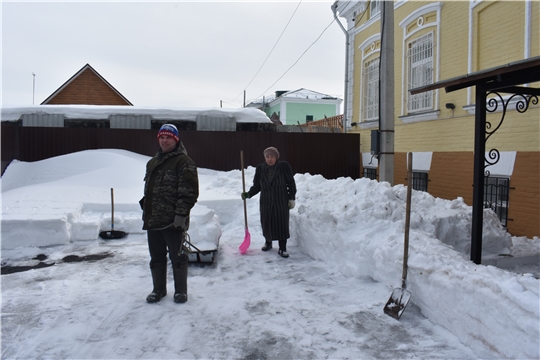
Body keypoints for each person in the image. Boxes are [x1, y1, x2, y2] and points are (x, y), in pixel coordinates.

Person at [140, 124, 199, 303]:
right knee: (156, 257)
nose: (165, 141)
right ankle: (158, 290)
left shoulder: (184, 162)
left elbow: (189, 193)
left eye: (169, 138)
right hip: (154, 219)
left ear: (176, 139)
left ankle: (181, 291)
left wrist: (180, 216)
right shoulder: (152, 162)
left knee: (178, 257)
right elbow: (149, 189)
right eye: (162, 137)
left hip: (173, 221)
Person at [242, 146, 296, 258]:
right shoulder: (260, 168)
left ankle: (282, 248)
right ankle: (268, 242)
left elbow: (290, 183)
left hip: (280, 200)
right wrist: (249, 194)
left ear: (276, 157)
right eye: (267, 156)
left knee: (281, 224)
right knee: (267, 222)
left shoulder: (283, 166)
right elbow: (257, 186)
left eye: (272, 156)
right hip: (266, 201)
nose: (270, 159)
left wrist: (291, 198)